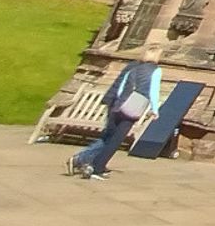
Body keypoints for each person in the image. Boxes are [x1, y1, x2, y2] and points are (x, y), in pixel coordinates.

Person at [68, 50, 163, 178]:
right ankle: (95, 167)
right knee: (114, 141)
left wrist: (119, 102)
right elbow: (154, 91)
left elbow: (120, 88)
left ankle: (87, 162)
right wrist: (155, 109)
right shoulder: (156, 70)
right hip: (132, 107)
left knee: (108, 137)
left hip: (118, 105)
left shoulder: (133, 67)